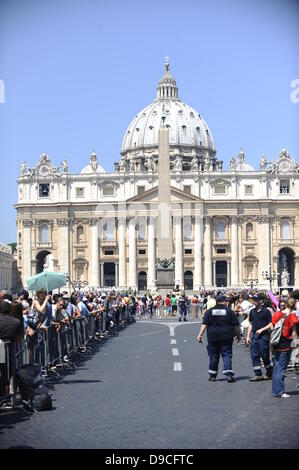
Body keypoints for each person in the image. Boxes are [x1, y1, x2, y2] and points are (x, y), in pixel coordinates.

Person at [197, 294, 241, 382]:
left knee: (214, 356)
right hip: (227, 336)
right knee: (227, 354)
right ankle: (228, 374)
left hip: (213, 336)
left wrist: (200, 334)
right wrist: (238, 335)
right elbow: (236, 326)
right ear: (224, 302)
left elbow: (204, 324)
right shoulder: (229, 311)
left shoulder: (209, 311)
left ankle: (212, 375)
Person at [271, 298, 299, 398]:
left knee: (277, 367)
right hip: (286, 343)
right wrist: (296, 344)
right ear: (293, 305)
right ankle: (280, 391)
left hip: (276, 342)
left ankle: (275, 390)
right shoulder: (292, 316)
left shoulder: (276, 314)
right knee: (282, 369)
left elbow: (273, 326)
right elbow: (294, 332)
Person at [245, 294, 273, 381]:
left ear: (261, 301)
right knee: (254, 355)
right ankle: (258, 374)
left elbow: (271, 324)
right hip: (255, 336)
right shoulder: (252, 311)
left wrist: (262, 330)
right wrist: (247, 336)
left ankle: (269, 371)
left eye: (256, 300)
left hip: (264, 336)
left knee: (264, 354)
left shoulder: (266, 311)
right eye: (253, 300)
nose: (254, 301)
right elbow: (250, 324)